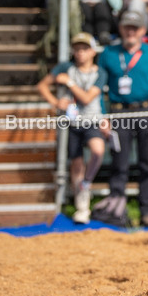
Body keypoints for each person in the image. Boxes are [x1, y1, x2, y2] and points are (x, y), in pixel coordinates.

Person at [96, 9, 148, 228]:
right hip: (119, 113)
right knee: (119, 163)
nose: (130, 31)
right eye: (127, 27)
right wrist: (103, 116)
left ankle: (147, 212)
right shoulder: (108, 53)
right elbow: (99, 88)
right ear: (120, 29)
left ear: (143, 31)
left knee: (147, 164)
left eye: (134, 28)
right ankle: (117, 211)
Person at [36, 33, 108, 223]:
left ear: (92, 51)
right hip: (72, 122)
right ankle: (81, 206)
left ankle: (86, 183)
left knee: (98, 151)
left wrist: (69, 83)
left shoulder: (99, 72)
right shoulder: (66, 67)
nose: (80, 53)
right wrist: (56, 102)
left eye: (84, 49)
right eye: (76, 49)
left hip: (92, 120)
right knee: (76, 163)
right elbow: (42, 86)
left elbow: (86, 98)